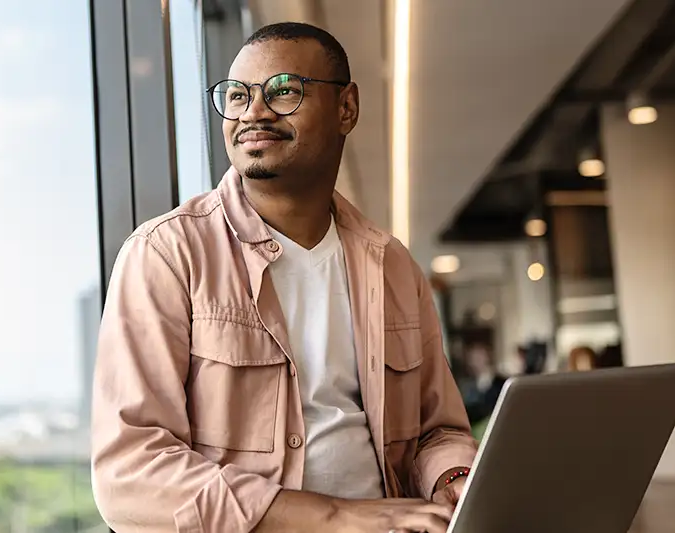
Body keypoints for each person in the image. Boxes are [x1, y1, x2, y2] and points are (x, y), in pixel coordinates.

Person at [91, 22, 477, 533]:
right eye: (237, 95)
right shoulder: (167, 254)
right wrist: (335, 517)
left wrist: (455, 476)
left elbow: (436, 431)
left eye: (283, 91)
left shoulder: (392, 264)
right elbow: (130, 473)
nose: (253, 111)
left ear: (346, 108)